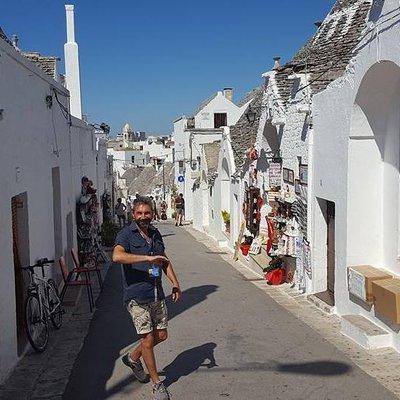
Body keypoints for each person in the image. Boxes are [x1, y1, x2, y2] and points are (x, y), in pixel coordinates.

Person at [113, 196, 181, 400]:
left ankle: (133, 358)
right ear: (133, 215)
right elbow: (117, 256)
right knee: (148, 339)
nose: (143, 217)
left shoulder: (155, 233)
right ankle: (157, 385)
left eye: (147, 213)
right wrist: (146, 258)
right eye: (139, 213)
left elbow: (164, 261)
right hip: (136, 296)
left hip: (156, 293)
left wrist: (175, 283)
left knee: (161, 336)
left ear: (152, 214)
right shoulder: (126, 234)